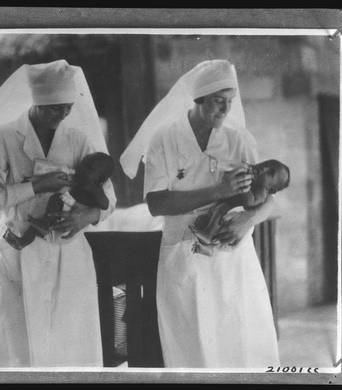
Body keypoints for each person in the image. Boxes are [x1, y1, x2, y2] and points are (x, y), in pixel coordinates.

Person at [0, 60, 116, 367]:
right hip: (17, 248)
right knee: (17, 347)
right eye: (54, 108)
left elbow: (109, 198)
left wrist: (84, 216)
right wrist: (35, 186)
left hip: (68, 252)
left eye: (67, 108)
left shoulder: (77, 139)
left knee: (70, 348)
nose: (63, 115)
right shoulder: (6, 138)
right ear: (37, 101)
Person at [120, 59, 281, 368]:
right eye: (218, 102)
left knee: (242, 346)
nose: (225, 110)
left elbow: (269, 201)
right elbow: (157, 203)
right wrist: (216, 192)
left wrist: (248, 219)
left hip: (234, 259)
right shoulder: (163, 139)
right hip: (184, 258)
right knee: (193, 351)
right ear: (199, 99)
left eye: (230, 103)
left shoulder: (240, 141)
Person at [3, 151, 115, 249]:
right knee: (35, 226)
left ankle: (45, 225)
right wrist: (33, 180)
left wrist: (94, 192)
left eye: (88, 168)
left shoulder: (97, 189)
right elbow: (55, 176)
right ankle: (22, 242)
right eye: (82, 165)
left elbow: (105, 205)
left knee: (56, 200)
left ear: (101, 178)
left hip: (74, 213)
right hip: (65, 208)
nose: (82, 169)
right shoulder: (81, 178)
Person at [190, 159, 290, 249]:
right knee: (202, 220)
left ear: (271, 189)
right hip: (223, 208)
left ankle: (208, 235)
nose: (264, 168)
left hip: (232, 214)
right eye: (266, 163)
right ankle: (208, 246)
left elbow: (249, 203)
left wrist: (243, 184)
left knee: (221, 208)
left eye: (270, 173)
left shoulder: (261, 191)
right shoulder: (252, 178)